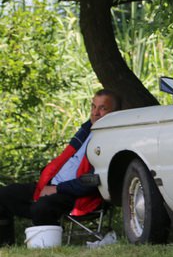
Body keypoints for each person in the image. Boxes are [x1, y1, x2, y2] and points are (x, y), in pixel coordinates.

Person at [0, 89, 121, 246]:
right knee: (4, 195)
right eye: (93, 107)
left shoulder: (111, 141)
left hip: (74, 194)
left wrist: (58, 189)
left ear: (115, 113)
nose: (95, 113)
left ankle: (47, 242)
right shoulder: (86, 130)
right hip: (50, 185)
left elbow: (94, 179)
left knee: (41, 208)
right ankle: (5, 246)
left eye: (103, 108)